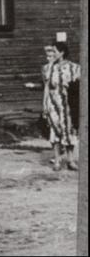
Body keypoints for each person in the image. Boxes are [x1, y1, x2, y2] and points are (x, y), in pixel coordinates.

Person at [42, 41, 80, 171]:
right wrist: (45, 104)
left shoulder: (74, 68)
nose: (52, 53)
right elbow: (46, 88)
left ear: (62, 52)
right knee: (55, 130)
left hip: (69, 103)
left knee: (69, 130)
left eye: (55, 51)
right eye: (51, 51)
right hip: (53, 103)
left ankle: (70, 160)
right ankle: (57, 160)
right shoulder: (47, 68)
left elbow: (79, 86)